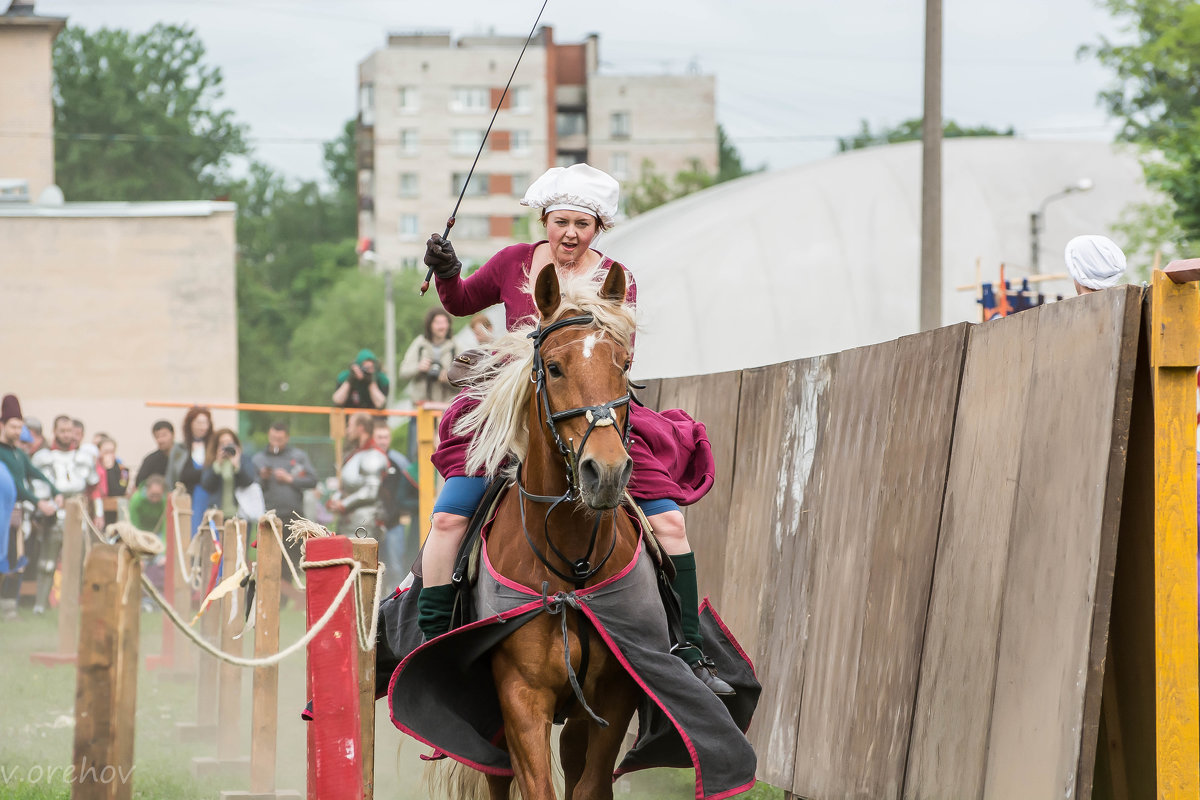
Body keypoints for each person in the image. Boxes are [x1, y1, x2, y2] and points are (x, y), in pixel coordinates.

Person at [420, 163, 731, 694]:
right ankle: (432, 644)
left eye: (582, 225)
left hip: (592, 411)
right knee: (449, 519)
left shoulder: (617, 278)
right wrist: (448, 272)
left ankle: (688, 649)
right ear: (545, 218)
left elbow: (617, 353)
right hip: (513, 410)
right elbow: (460, 302)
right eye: (561, 221)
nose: (570, 234)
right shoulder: (512, 262)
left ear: (598, 229)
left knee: (672, 526)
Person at [0, 396, 61, 619]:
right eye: (13, 426)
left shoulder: (19, 454)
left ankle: (8, 609)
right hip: (2, 511)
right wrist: (39, 502)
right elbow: (15, 486)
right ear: (2, 425)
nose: (17, 431)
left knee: (15, 561)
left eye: (19, 426)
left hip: (15, 514)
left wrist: (55, 490)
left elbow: (36, 474)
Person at [30, 414, 97, 614]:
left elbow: (94, 489)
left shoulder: (83, 457)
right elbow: (38, 488)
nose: (67, 435)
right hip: (54, 514)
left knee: (79, 562)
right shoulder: (44, 458)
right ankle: (40, 605)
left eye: (69, 431)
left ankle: (76, 605)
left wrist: (98, 514)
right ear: (55, 432)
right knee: (47, 563)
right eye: (62, 431)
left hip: (78, 514)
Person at [252, 420, 317, 595]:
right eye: (273, 438)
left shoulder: (298, 456)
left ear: (286, 438)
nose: (276, 442)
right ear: (269, 435)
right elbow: (250, 487)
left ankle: (287, 597)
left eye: (280, 439)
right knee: (270, 558)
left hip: (292, 517)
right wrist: (263, 477)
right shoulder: (259, 459)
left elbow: (312, 480)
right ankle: (271, 596)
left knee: (291, 560)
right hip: (268, 518)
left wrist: (291, 479)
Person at [327, 413, 390, 536]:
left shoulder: (373, 456)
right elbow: (345, 487)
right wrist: (335, 500)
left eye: (350, 426)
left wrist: (343, 504)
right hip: (348, 522)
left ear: (360, 428)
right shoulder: (354, 454)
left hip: (364, 523)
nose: (347, 430)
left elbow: (370, 491)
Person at [372, 418, 420, 581]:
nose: (383, 441)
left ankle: (395, 602)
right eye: (379, 437)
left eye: (385, 437)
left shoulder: (399, 461)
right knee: (371, 564)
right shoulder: (366, 459)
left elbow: (409, 491)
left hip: (393, 523)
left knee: (396, 567)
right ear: (373, 438)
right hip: (370, 523)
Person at [165, 406, 213, 535]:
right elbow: (172, 477)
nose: (202, 426)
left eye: (205, 422)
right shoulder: (180, 449)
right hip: (187, 499)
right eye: (198, 422)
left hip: (210, 498)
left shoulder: (213, 448)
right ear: (190, 424)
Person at [399, 308, 459, 406]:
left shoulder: (456, 346)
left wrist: (448, 377)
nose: (442, 326)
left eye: (445, 322)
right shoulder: (420, 344)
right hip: (421, 409)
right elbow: (403, 372)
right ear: (429, 325)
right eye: (438, 323)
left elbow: (466, 380)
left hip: (446, 409)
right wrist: (419, 367)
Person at [200, 428, 255, 521]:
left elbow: (249, 481)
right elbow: (206, 485)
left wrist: (237, 466)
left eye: (229, 442)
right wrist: (217, 465)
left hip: (240, 514)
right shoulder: (212, 461)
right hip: (217, 515)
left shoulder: (244, 460)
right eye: (222, 444)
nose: (226, 446)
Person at [92, 435, 130, 527]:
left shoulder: (123, 470)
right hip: (96, 512)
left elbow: (118, 491)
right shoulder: (93, 470)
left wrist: (109, 469)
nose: (109, 455)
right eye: (106, 452)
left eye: (112, 452)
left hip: (115, 516)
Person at [134, 420, 175, 489]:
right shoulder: (150, 460)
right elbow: (139, 483)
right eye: (157, 436)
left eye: (164, 435)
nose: (161, 440)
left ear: (173, 435)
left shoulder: (184, 455)